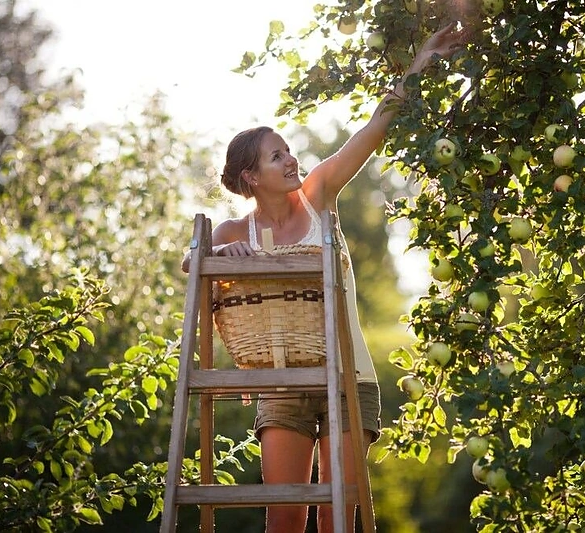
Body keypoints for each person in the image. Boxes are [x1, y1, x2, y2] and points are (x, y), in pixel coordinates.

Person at [182, 23, 465, 533]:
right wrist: (227, 250)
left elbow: (376, 127)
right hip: (282, 383)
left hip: (347, 379)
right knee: (284, 519)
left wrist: (424, 58)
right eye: (277, 156)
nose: (291, 159)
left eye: (288, 150)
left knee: (338, 518)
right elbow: (191, 260)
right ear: (251, 177)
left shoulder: (317, 195)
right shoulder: (233, 228)